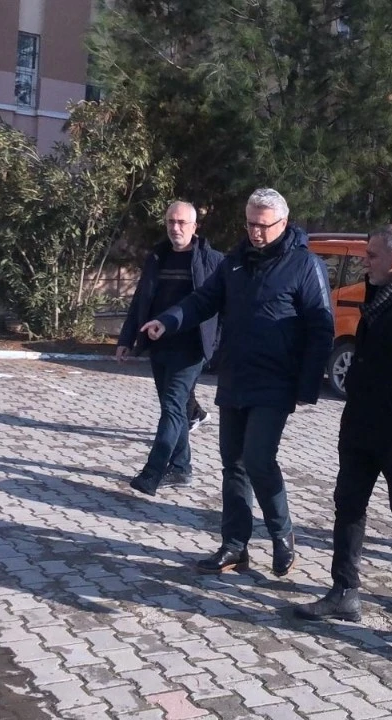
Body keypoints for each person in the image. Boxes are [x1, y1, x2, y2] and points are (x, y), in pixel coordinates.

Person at [141, 188, 334, 576]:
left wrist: (307, 386)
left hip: (276, 381)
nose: (255, 233)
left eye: (263, 226)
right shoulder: (234, 262)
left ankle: (282, 536)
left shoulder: (304, 264)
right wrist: (169, 320)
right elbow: (202, 301)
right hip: (235, 377)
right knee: (233, 464)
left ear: (283, 222)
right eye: (250, 224)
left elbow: (321, 326)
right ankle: (234, 546)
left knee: (259, 459)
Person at [293, 225, 392, 622]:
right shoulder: (378, 289)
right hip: (361, 421)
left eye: (372, 255)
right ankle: (344, 591)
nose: (365, 262)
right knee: (348, 502)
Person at [117, 201, 224, 494]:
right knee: (173, 407)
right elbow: (140, 300)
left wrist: (216, 344)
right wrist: (126, 339)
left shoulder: (212, 260)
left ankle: (152, 473)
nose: (175, 228)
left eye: (181, 223)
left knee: (173, 407)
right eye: (170, 222)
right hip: (159, 346)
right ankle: (181, 468)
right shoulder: (157, 257)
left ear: (194, 227)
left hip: (191, 349)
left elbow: (222, 306)